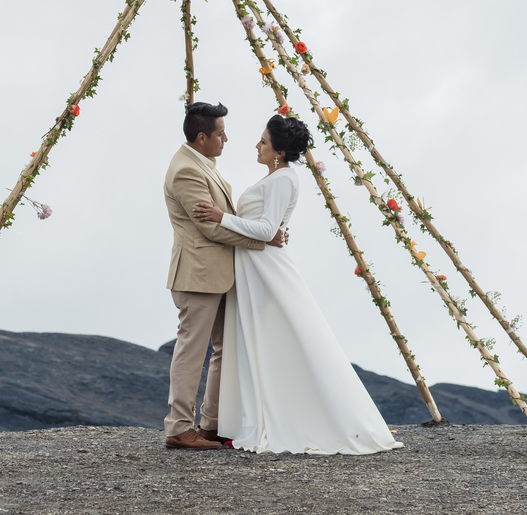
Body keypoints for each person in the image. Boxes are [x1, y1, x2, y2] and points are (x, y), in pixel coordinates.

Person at [193, 115, 404, 455]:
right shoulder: (277, 177)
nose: (257, 146)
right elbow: (267, 228)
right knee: (262, 342)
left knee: (282, 338)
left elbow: (265, 230)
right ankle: (255, 417)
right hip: (254, 267)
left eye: (263, 142)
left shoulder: (283, 179)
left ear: (278, 150)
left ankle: (291, 419)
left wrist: (222, 218)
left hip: (266, 269)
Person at [162, 102, 287, 450]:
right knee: (192, 350)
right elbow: (210, 229)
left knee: (224, 348)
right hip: (198, 274)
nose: (226, 139)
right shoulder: (186, 170)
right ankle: (179, 428)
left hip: (217, 274)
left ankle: (211, 424)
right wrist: (263, 239)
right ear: (202, 137)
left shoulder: (203, 162)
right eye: (220, 133)